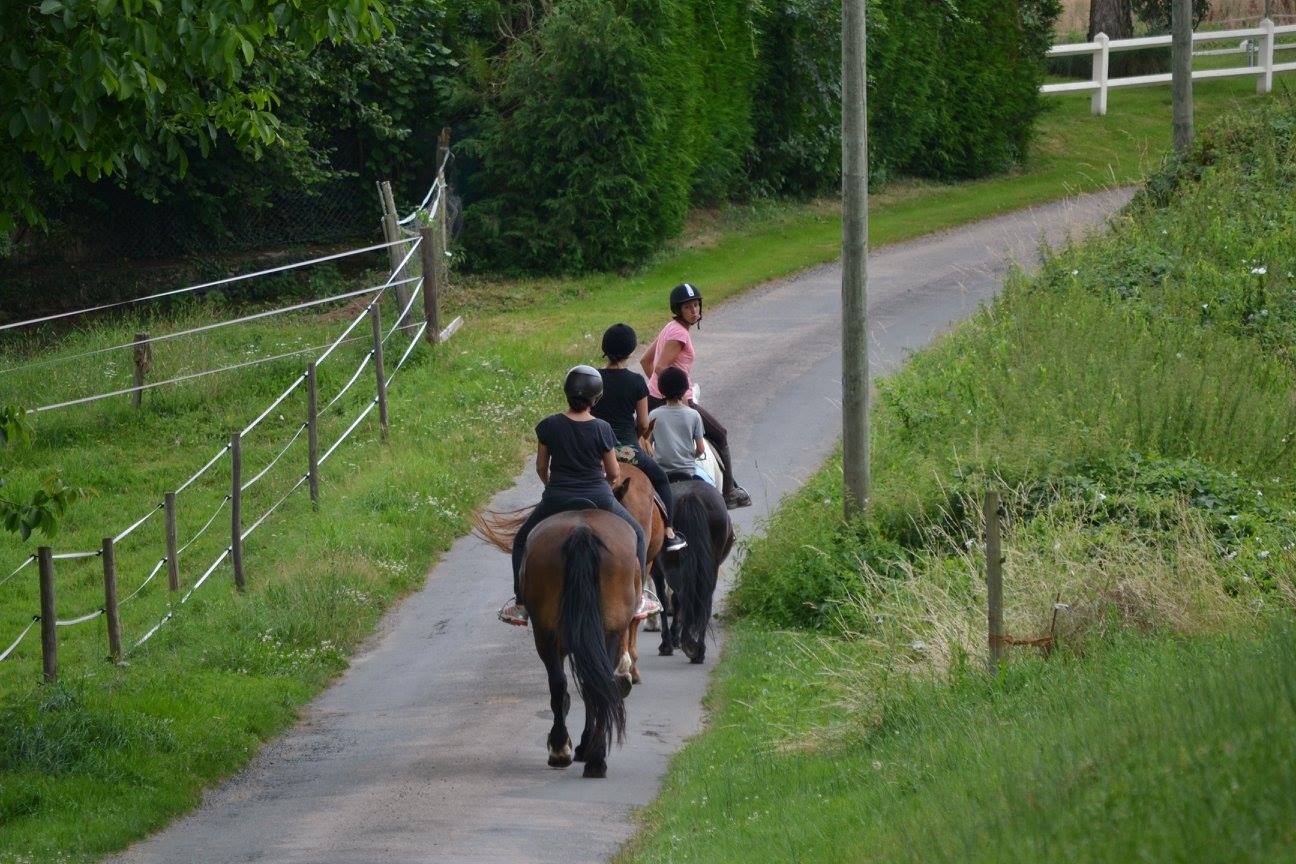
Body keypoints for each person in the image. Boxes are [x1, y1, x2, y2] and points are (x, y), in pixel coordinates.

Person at [499, 365, 654, 627]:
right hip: (598, 496)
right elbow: (614, 472)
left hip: (557, 497)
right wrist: (606, 484)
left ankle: (521, 603)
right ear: (596, 398)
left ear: (567, 393)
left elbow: (540, 466)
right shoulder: (603, 428)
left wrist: (552, 486)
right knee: (637, 533)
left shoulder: (548, 425)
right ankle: (638, 598)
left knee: (520, 541)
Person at [640, 282, 752, 508]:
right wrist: (677, 399)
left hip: (656, 397)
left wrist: (656, 389)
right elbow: (661, 367)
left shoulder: (669, 327)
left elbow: (645, 361)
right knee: (720, 434)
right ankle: (729, 492)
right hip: (677, 397)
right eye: (688, 307)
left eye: (696, 306)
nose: (694, 311)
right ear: (678, 310)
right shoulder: (680, 334)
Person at [591, 323, 687, 553]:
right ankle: (669, 531)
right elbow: (644, 423)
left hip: (597, 451)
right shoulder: (636, 382)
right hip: (629, 452)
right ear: (630, 351)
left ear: (605, 349)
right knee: (662, 479)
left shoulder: (594, 378)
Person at [648, 367, 708, 484]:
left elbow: (647, 447)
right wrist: (690, 459)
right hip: (689, 471)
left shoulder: (653, 415)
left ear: (661, 390)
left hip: (663, 473)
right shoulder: (694, 415)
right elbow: (701, 449)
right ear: (685, 389)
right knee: (713, 487)